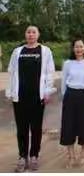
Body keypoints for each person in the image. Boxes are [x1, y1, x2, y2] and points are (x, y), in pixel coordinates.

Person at [5, 25, 56, 172]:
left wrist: (47, 92)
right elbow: (11, 72)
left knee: (36, 128)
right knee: (21, 128)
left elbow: (49, 73)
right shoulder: (17, 51)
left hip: (37, 96)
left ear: (38, 35)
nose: (31, 35)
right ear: (25, 34)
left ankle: (34, 156)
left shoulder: (45, 51)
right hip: (20, 97)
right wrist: (10, 92)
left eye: (34, 32)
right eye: (28, 32)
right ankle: (22, 157)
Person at [60, 38, 84, 168]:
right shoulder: (68, 63)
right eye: (76, 47)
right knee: (68, 126)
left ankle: (83, 156)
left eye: (81, 46)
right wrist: (64, 97)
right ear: (73, 48)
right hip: (70, 95)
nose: (79, 49)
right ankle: (71, 157)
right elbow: (63, 82)